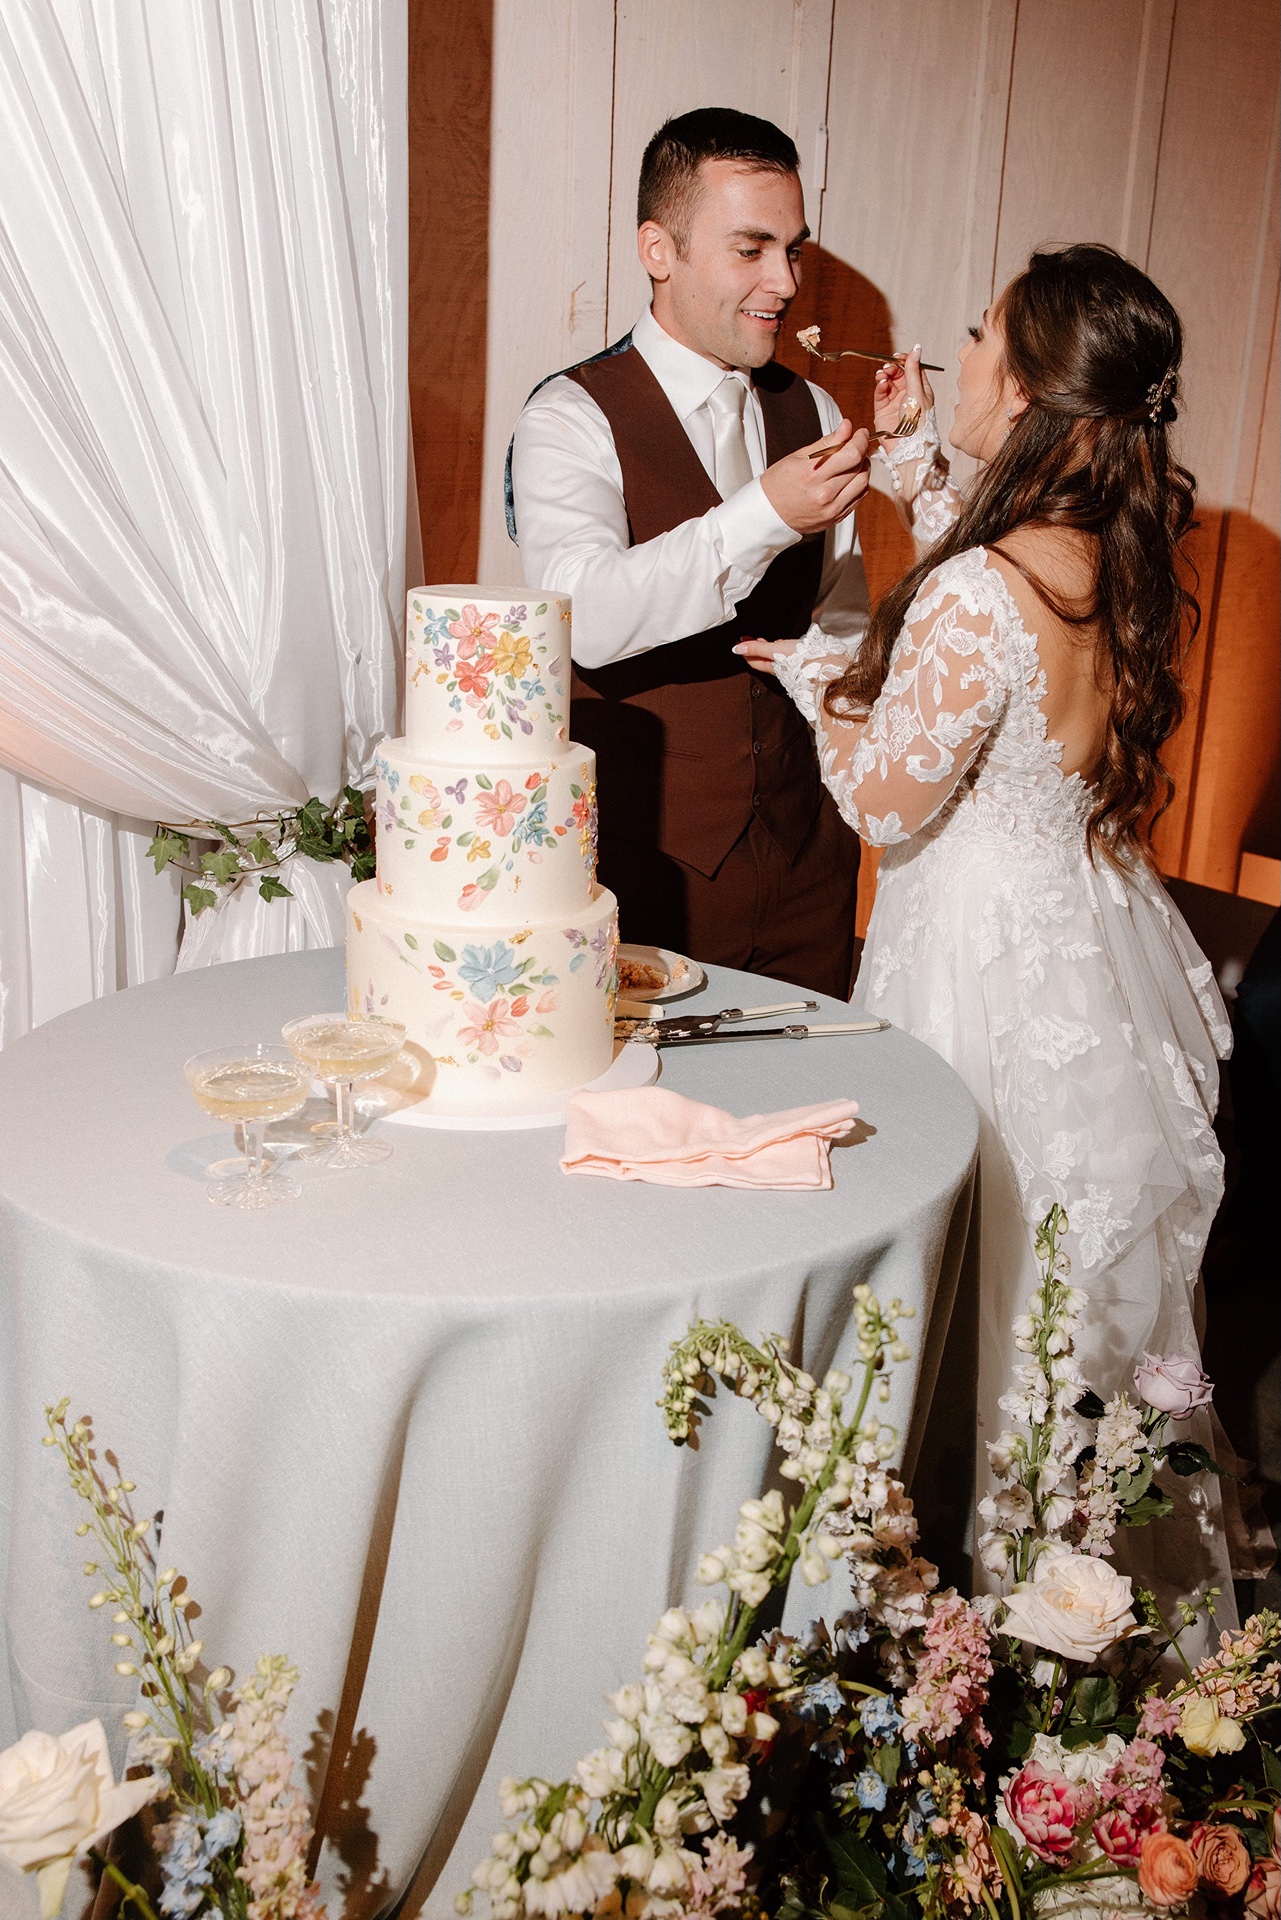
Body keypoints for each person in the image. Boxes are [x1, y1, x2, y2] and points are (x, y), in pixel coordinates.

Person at [737, 244, 1238, 1626]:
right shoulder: (1112, 560)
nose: (951, 356)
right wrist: (910, 459)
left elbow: (884, 802)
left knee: (967, 1296)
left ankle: (946, 1607)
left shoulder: (970, 596)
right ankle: (1059, 1611)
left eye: (975, 339)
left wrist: (823, 682)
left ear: (1020, 386)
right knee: (1055, 1306)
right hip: (1077, 940)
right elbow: (994, 579)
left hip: (970, 954)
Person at [509, 108, 872, 1000]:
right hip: (641, 874)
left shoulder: (816, 413)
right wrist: (763, 515)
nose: (783, 282)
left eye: (793, 250)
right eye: (750, 250)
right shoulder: (569, 417)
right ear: (657, 249)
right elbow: (582, 619)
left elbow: (843, 615)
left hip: (807, 869)